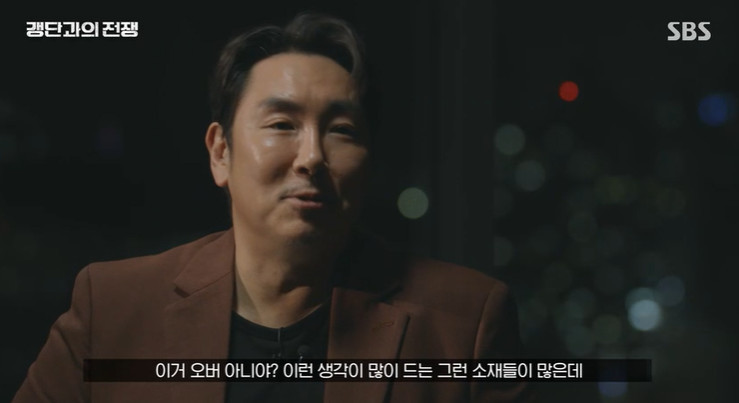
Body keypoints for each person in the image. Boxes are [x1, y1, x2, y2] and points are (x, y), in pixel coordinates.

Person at [14, 12, 534, 403]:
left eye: (341, 130)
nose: (312, 156)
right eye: (282, 124)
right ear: (221, 152)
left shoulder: (464, 321)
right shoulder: (113, 306)